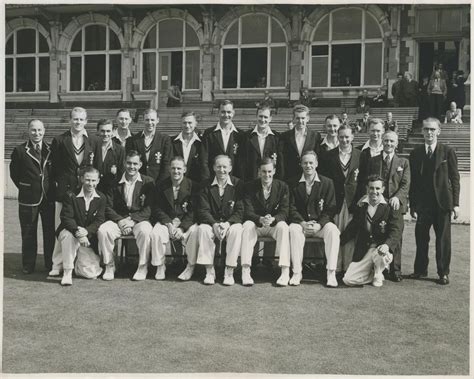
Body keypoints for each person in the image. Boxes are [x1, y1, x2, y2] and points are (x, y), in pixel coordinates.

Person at [408, 118, 460, 285]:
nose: (429, 133)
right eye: (426, 129)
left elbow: (455, 179)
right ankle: (420, 270)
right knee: (421, 238)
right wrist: (413, 204)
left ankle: (443, 272)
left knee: (443, 240)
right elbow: (413, 182)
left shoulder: (447, 151)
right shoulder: (415, 154)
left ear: (438, 131)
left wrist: (456, 204)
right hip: (423, 204)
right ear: (422, 131)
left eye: (432, 129)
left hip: (443, 203)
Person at [49, 107, 99, 276]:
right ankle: (57, 263)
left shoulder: (93, 140)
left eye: (81, 119)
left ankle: (78, 260)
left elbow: (94, 166)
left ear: (86, 121)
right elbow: (54, 168)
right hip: (65, 191)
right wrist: (61, 187)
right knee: (61, 228)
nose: (78, 122)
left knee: (80, 226)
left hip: (84, 190)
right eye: (75, 119)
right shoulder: (59, 140)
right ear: (70, 120)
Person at [97, 150, 155, 281]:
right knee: (103, 230)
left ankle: (142, 266)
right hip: (119, 219)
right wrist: (121, 221)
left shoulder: (148, 182)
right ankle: (110, 265)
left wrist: (132, 221)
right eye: (129, 163)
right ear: (124, 163)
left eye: (135, 164)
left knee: (146, 231)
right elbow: (108, 207)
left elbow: (149, 208)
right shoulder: (114, 182)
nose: (132, 167)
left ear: (140, 165)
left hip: (138, 220)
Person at [363, 131, 410, 282]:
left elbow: (405, 184)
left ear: (396, 144)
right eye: (386, 141)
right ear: (382, 142)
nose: (389, 144)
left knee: (396, 235)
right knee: (375, 232)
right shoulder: (373, 160)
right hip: (378, 202)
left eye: (392, 141)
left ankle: (395, 270)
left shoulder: (403, 162)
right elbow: (368, 180)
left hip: (395, 204)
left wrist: (397, 197)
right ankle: (375, 267)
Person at [10, 119, 55, 273]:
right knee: (28, 233)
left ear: (44, 131)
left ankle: (50, 264)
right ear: (28, 131)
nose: (37, 133)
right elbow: (14, 174)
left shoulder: (51, 149)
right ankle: (28, 265)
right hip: (28, 199)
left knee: (50, 233)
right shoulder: (20, 150)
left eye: (39, 130)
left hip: (48, 198)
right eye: (33, 130)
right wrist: (27, 188)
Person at [288, 151, 340, 287]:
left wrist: (320, 224)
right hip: (302, 224)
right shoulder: (292, 182)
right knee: (293, 230)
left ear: (316, 164)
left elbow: (331, 208)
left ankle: (331, 272)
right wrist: (302, 223)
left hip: (319, 226)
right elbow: (290, 207)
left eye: (311, 162)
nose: (308, 166)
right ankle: (297, 272)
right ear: (301, 164)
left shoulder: (327, 183)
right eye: (305, 163)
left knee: (333, 231)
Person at [341, 175, 403, 287]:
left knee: (381, 254)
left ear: (383, 189)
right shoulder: (361, 206)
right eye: (371, 188)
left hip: (381, 249)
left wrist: (387, 245)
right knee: (348, 280)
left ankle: (378, 273)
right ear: (367, 189)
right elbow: (353, 227)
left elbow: (396, 231)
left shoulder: (390, 207)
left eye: (378, 188)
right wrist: (339, 240)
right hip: (365, 249)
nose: (374, 191)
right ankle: (371, 274)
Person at [319, 124, 361, 277]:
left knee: (350, 234)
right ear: (337, 136)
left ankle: (348, 268)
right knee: (335, 233)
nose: (344, 139)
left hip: (352, 201)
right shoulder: (329, 156)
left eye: (347, 137)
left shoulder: (360, 155)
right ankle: (334, 267)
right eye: (341, 136)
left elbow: (362, 181)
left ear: (352, 137)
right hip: (335, 200)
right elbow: (324, 180)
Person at [241, 158, 290, 286]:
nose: (266, 175)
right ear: (258, 172)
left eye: (269, 171)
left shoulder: (282, 186)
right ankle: (245, 270)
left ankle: (284, 271)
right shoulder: (249, 186)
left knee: (284, 227)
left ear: (274, 171)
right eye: (263, 171)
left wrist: (274, 219)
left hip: (273, 225)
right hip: (257, 224)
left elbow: (285, 211)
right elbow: (247, 211)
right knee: (246, 226)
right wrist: (259, 219)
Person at [196, 155, 244, 285]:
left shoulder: (238, 184)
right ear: (213, 167)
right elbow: (203, 210)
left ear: (230, 168)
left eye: (224, 167)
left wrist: (228, 224)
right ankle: (209, 271)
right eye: (218, 166)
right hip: (212, 222)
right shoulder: (205, 185)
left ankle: (229, 271)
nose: (221, 170)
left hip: (230, 223)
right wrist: (214, 224)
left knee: (237, 230)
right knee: (202, 229)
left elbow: (240, 211)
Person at [151, 156, 199, 281]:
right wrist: (169, 223)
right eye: (173, 168)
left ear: (184, 169)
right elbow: (157, 208)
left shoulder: (193, 185)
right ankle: (160, 265)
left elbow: (194, 210)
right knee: (156, 233)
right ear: (169, 169)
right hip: (168, 221)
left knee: (194, 232)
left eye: (179, 168)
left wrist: (182, 227)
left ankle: (190, 266)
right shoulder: (162, 185)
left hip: (186, 223)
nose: (176, 171)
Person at [56, 167, 106, 286]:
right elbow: (67, 218)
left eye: (94, 180)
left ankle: (78, 260)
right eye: (88, 180)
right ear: (82, 179)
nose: (90, 184)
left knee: (91, 274)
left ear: (98, 181)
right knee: (68, 236)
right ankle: (67, 272)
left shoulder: (101, 198)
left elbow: (99, 219)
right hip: (70, 232)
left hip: (87, 238)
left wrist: (87, 232)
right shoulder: (70, 195)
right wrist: (78, 233)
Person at [202, 100, 245, 180]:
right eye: (223, 112)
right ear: (218, 112)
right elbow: (204, 160)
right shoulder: (209, 133)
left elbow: (242, 162)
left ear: (233, 113)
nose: (226, 115)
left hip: (234, 181)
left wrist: (239, 181)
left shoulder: (240, 135)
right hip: (213, 179)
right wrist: (207, 180)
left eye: (229, 112)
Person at [126, 108, 172, 183]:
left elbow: (167, 164)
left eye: (152, 120)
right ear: (143, 120)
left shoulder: (165, 139)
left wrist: (160, 184)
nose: (150, 122)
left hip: (159, 183)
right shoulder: (133, 140)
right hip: (138, 182)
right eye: (147, 120)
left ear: (157, 120)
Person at [279, 104, 322, 181]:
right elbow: (282, 159)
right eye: (298, 118)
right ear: (293, 119)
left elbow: (318, 158)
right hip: (290, 176)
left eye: (303, 118)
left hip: (309, 177)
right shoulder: (285, 136)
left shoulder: (315, 136)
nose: (300, 121)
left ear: (308, 118)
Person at [241, 105, 282, 180]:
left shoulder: (277, 138)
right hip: (251, 180)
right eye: (260, 116)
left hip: (271, 181)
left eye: (266, 117)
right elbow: (242, 163)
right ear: (256, 116)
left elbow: (280, 164)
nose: (263, 119)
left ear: (270, 119)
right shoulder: (246, 137)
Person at [171, 111, 206, 183]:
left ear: (196, 123)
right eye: (184, 123)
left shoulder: (202, 142)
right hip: (176, 183)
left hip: (196, 184)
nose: (187, 126)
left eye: (190, 123)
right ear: (181, 123)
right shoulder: (172, 141)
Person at [94, 119, 125, 195]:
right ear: (97, 131)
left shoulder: (120, 150)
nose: (105, 134)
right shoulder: (92, 147)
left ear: (113, 131)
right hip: (94, 189)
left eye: (108, 131)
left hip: (111, 191)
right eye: (102, 131)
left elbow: (121, 172)